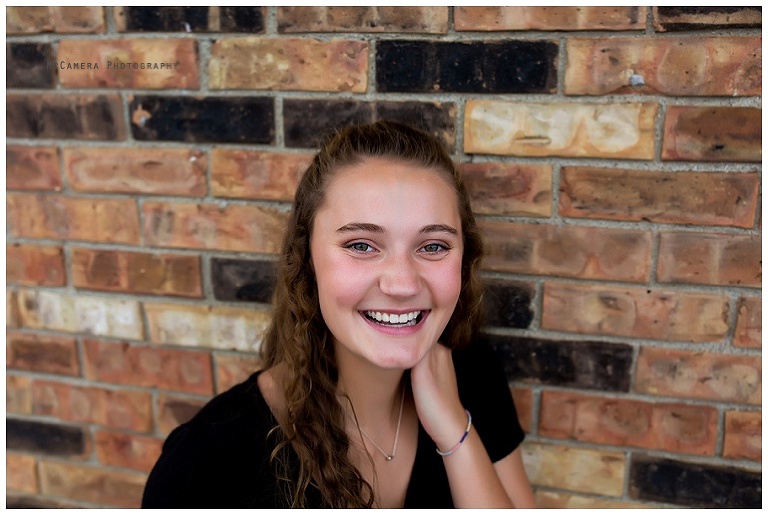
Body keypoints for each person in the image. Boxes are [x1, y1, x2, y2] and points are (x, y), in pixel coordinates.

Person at [141, 121, 536, 508]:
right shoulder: (203, 469)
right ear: (307, 260)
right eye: (361, 245)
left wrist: (454, 433)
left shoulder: (472, 371)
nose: (402, 284)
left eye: (433, 246)